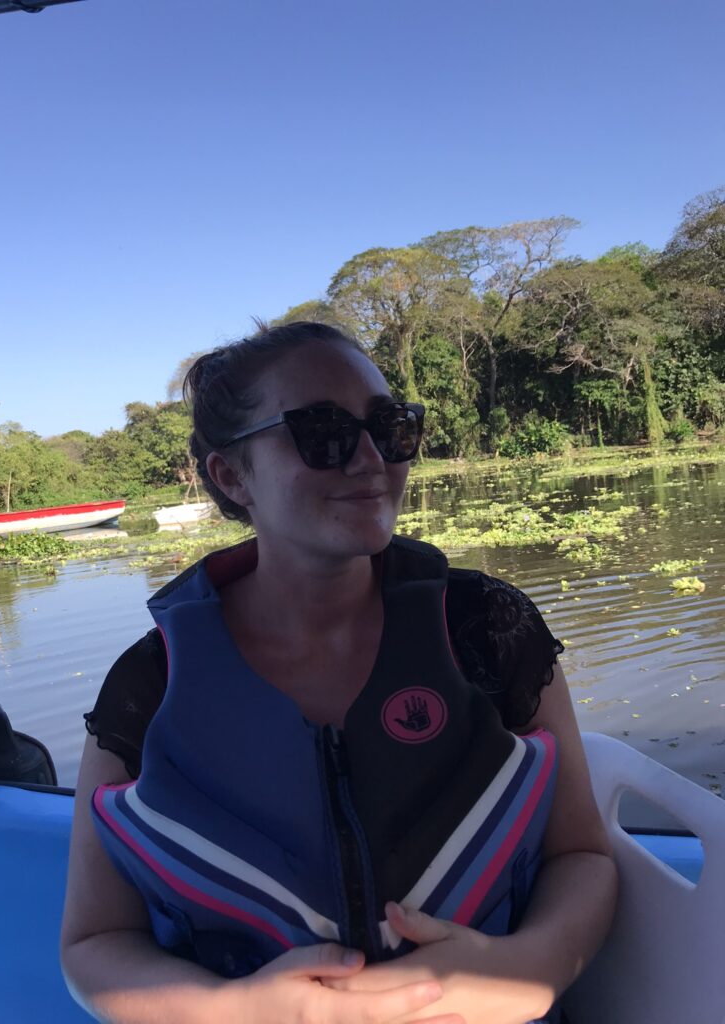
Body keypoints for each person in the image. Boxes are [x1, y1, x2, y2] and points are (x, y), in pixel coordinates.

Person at [60, 321, 617, 1024]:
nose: (370, 459)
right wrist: (234, 1010)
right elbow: (93, 941)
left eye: (391, 427)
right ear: (231, 475)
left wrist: (528, 967)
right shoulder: (150, 686)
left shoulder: (487, 630)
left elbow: (582, 856)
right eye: (322, 433)